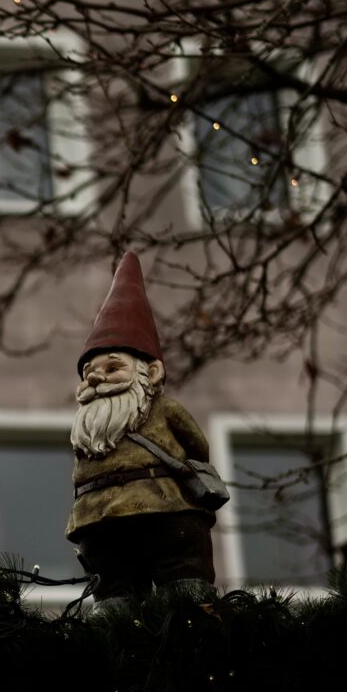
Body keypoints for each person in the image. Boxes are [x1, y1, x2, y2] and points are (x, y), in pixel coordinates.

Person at [66, 251, 217, 600]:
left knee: (183, 581)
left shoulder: (163, 409)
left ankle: (190, 612)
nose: (97, 379)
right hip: (97, 519)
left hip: (164, 511)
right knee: (114, 592)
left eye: (112, 368)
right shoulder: (87, 427)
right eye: (89, 374)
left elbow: (197, 446)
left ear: (151, 372)